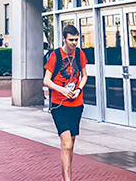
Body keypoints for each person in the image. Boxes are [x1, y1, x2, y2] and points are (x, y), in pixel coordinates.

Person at [44, 24, 88, 181]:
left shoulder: (80, 54)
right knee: (67, 143)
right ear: (64, 38)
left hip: (76, 105)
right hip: (59, 105)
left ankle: (67, 176)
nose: (74, 43)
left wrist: (79, 90)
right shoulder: (55, 55)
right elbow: (46, 80)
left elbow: (84, 76)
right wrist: (62, 90)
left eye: (76, 40)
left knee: (71, 144)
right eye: (71, 40)